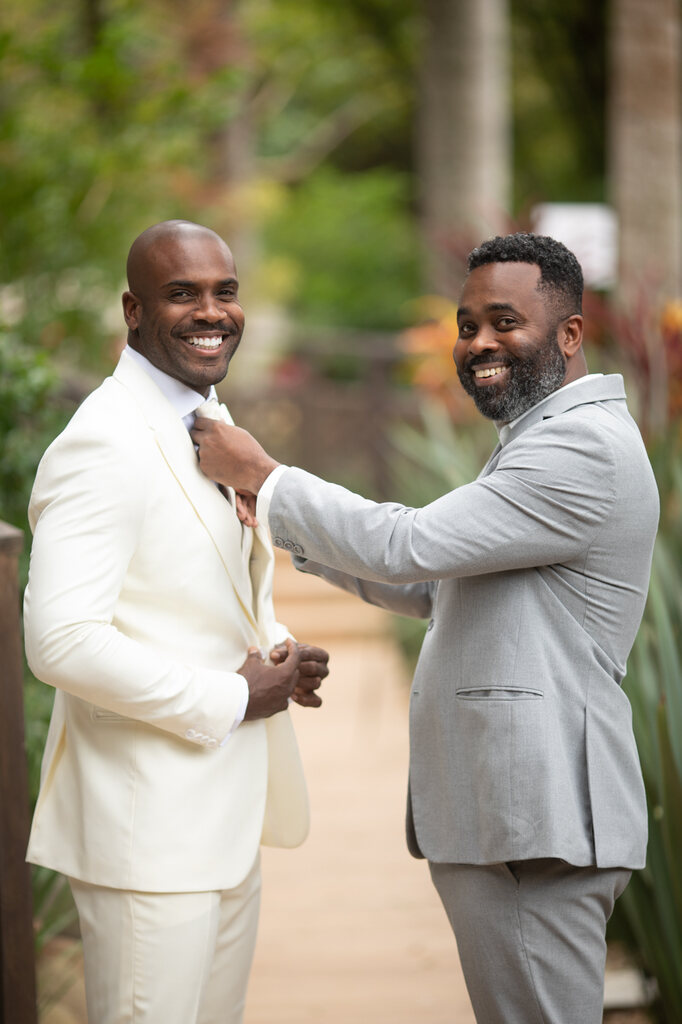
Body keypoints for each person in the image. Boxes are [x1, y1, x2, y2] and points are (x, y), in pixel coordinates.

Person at [191, 233, 659, 1024]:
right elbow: (432, 584)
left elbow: (408, 543)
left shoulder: (579, 447)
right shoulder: (539, 439)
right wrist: (278, 521)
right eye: (467, 324)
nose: (478, 343)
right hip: (515, 820)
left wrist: (265, 476)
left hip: (534, 823)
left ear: (571, 334)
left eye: (503, 321)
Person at [24, 219, 329, 1024]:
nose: (211, 311)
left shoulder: (206, 420)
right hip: (144, 834)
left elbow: (187, 586)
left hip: (221, 821)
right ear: (132, 310)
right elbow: (60, 640)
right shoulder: (103, 441)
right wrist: (231, 697)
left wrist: (276, 654)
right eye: (181, 294)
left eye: (224, 292)